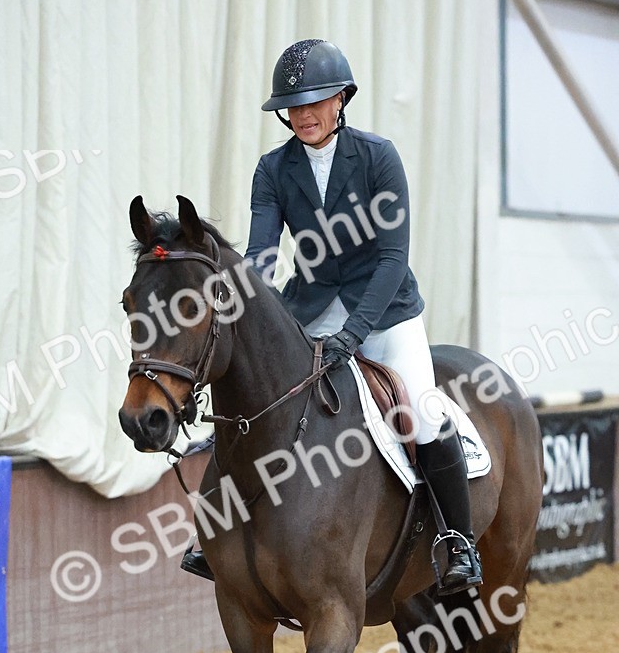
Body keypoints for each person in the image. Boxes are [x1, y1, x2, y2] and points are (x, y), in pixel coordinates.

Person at [181, 38, 482, 595]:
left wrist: (355, 332)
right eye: (292, 107)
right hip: (312, 309)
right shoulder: (272, 169)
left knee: (420, 411)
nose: (302, 115)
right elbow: (263, 257)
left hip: (386, 313)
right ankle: (213, 530)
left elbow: (393, 259)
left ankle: (457, 541)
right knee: (254, 401)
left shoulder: (377, 157)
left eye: (314, 102)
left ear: (342, 98)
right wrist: (242, 303)